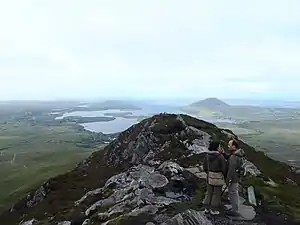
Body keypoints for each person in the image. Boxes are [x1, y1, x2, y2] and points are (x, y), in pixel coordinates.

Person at [203, 141, 227, 215]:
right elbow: (224, 168)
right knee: (216, 194)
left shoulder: (207, 156)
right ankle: (213, 210)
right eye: (219, 146)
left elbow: (204, 167)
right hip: (218, 177)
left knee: (209, 193)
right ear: (216, 147)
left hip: (209, 176)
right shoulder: (220, 157)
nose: (220, 147)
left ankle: (206, 208)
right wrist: (225, 176)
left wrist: (208, 173)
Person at [226, 139, 245, 217]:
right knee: (235, 193)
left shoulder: (234, 157)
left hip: (233, 179)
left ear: (234, 146)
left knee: (233, 194)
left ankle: (234, 211)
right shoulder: (239, 154)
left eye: (229, 145)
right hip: (237, 177)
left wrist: (228, 179)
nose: (228, 146)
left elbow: (231, 169)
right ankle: (235, 208)